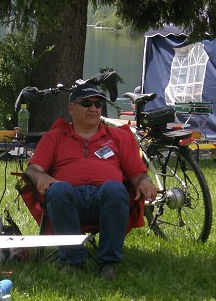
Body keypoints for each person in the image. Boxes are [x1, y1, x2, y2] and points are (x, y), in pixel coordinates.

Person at [23, 83, 158, 280]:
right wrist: (41, 177)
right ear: (71, 109)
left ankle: (109, 263)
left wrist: (143, 181)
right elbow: (32, 169)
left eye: (98, 104)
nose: (93, 108)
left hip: (105, 199)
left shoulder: (118, 136)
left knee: (114, 188)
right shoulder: (55, 137)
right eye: (86, 103)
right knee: (59, 190)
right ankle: (73, 262)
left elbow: (136, 172)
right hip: (68, 200)